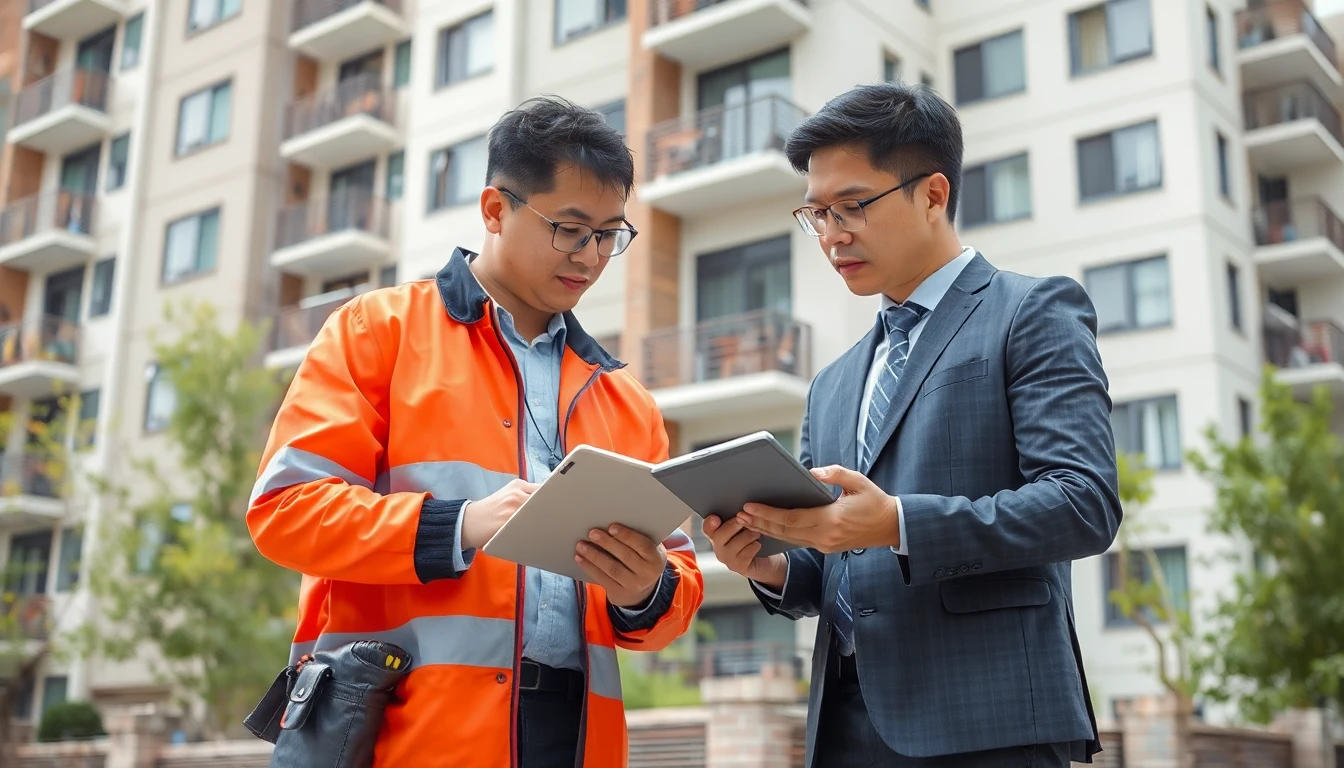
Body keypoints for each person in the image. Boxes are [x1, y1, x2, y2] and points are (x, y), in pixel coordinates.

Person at [247, 95, 704, 768]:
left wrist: (645, 590)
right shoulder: (377, 331)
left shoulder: (627, 401)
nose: (591, 256)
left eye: (610, 234)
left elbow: (677, 590)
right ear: (495, 209)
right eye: (570, 229)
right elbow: (285, 511)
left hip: (577, 736)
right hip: (406, 732)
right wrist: (459, 525)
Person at [703, 82, 1122, 767]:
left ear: (932, 194)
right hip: (843, 727)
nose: (832, 235)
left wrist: (898, 524)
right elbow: (832, 559)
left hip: (988, 725)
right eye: (817, 213)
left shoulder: (1032, 312)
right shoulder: (833, 382)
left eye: (852, 207)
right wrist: (771, 566)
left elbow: (1083, 503)